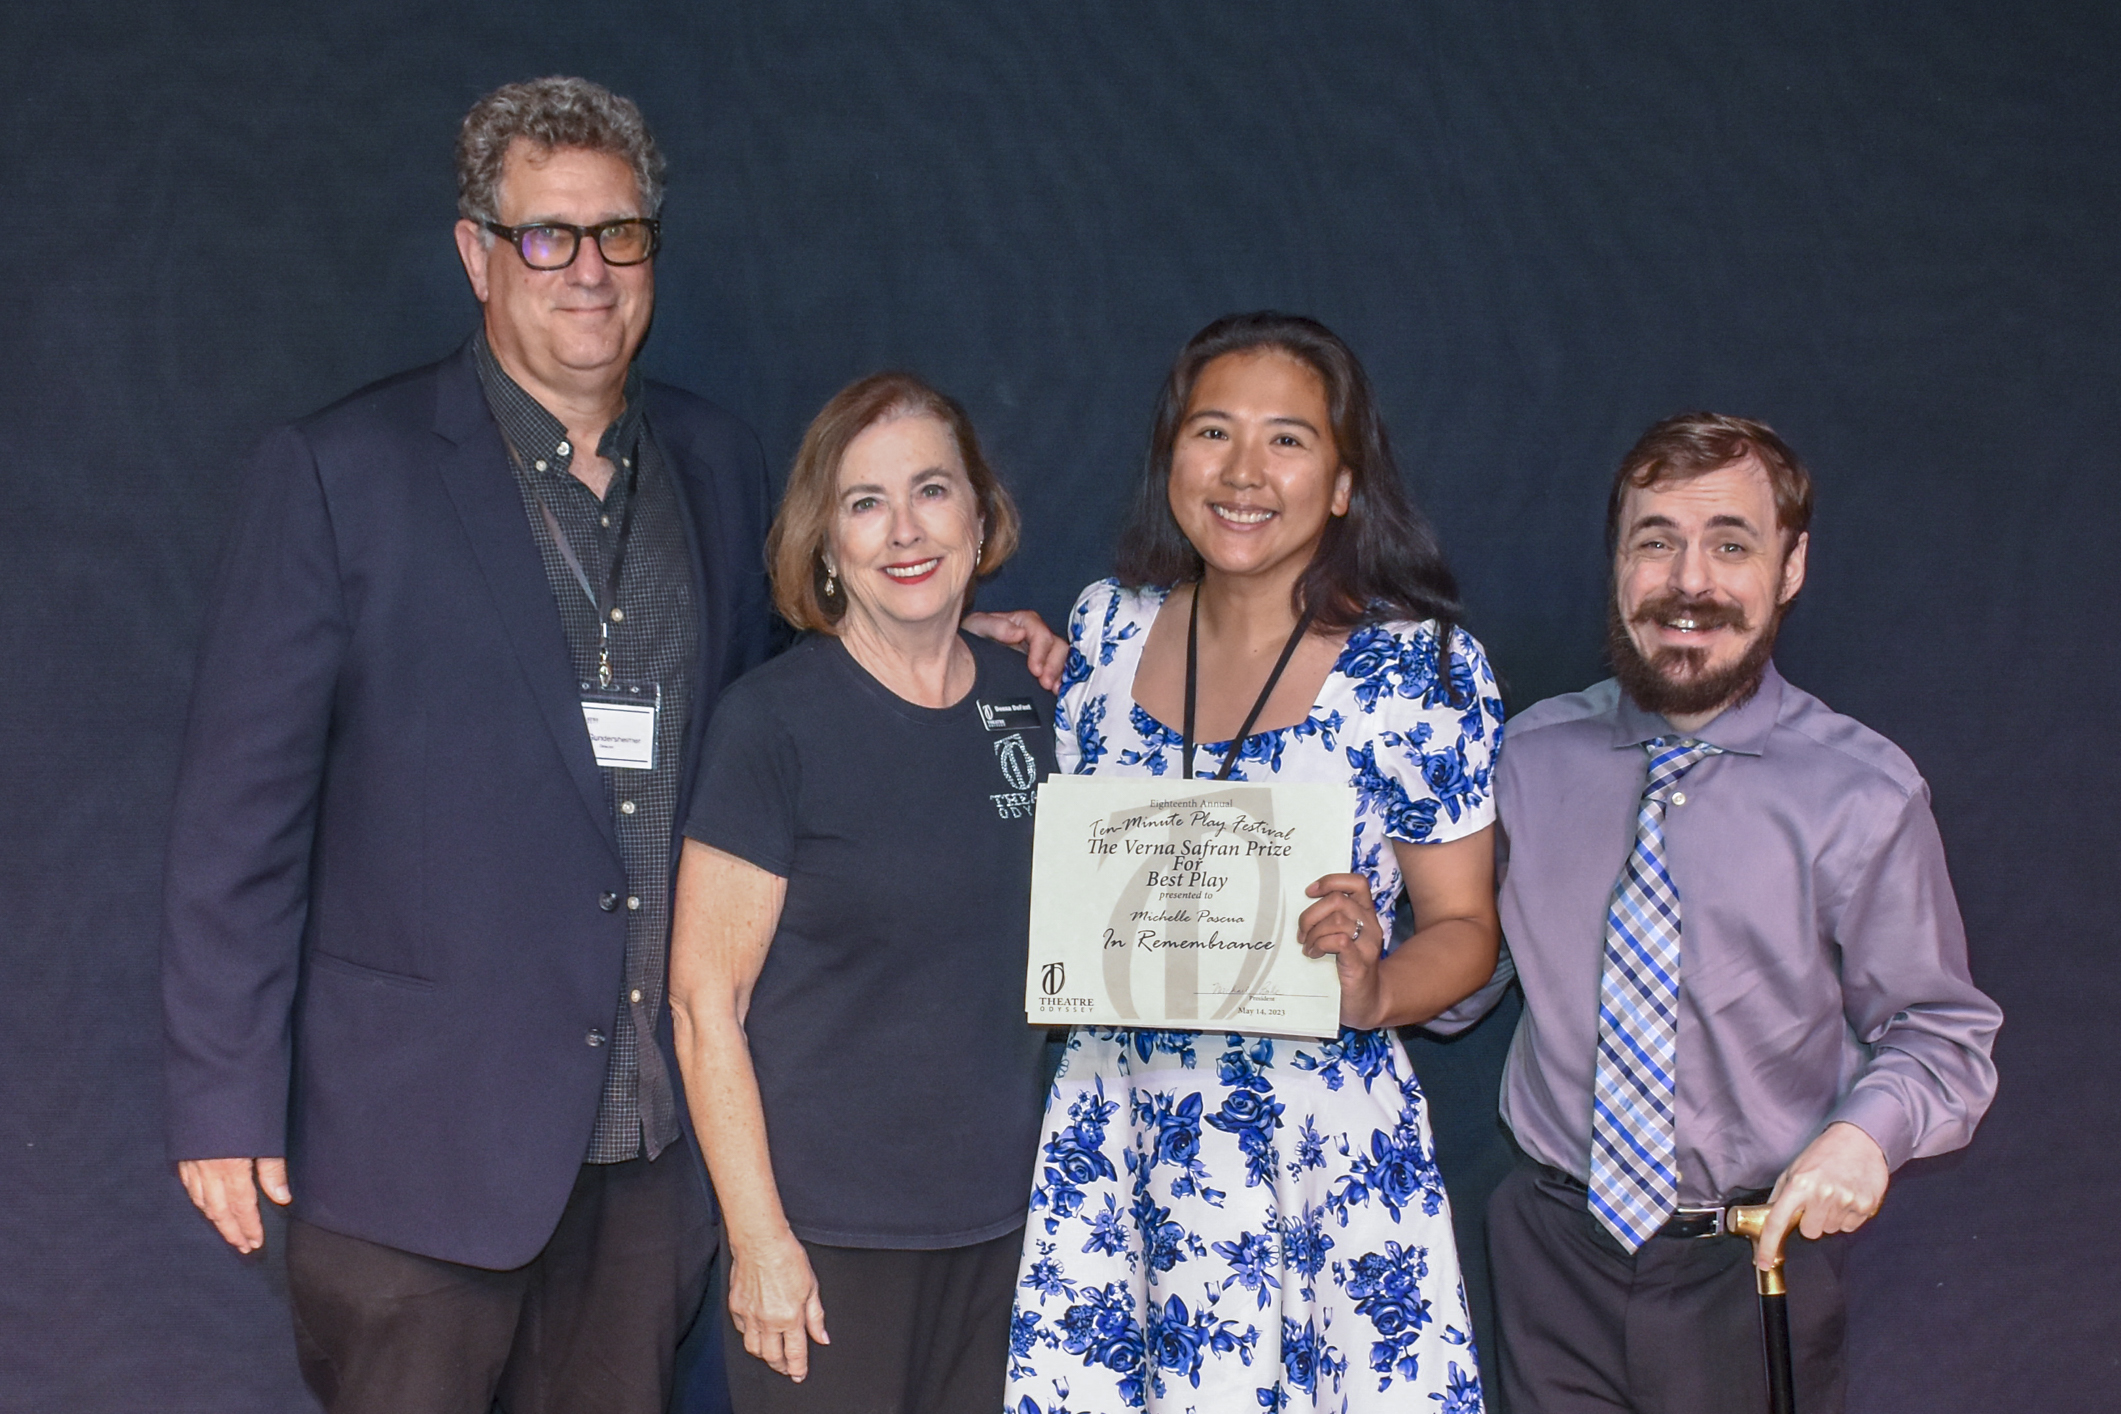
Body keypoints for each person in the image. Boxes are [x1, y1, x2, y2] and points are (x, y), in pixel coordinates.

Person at [159, 78, 1060, 1414]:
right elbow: (240, 811)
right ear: (476, 253)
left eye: (618, 235)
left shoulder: (716, 459)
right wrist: (222, 1095)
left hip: (648, 1160)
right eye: (547, 236)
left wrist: (944, 619)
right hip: (420, 1156)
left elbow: (792, 690)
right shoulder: (343, 473)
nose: (586, 271)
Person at [1429, 413, 2002, 1413]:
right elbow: (1454, 990)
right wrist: (1366, 942)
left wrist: (1863, 1136)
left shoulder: (1863, 792)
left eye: (1730, 544)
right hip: (1549, 1252)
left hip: (1751, 1263)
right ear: (1617, 563)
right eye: (1656, 541)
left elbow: (1943, 1036)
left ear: (1790, 567)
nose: (1689, 581)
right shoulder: (1523, 760)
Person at [1005, 312, 1503, 1414]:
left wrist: (1376, 989)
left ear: (1342, 482)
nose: (1242, 471)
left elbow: (1467, 930)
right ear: (1169, 456)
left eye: (1287, 439)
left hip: (1321, 1155)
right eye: (1212, 432)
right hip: (1120, 1143)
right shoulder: (1101, 632)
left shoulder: (1416, 670)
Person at [667, 372, 1055, 1414]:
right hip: (827, 1251)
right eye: (864, 502)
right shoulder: (773, 726)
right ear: (825, 543)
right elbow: (707, 1008)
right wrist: (760, 1244)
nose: (904, 530)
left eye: (931, 490)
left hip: (1011, 1237)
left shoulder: (1032, 702)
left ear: (980, 514)